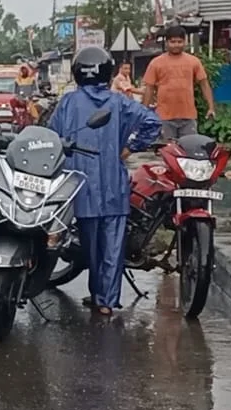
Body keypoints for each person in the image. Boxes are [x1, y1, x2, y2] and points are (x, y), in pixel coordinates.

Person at [48, 46, 161, 316]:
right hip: (113, 184)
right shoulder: (119, 102)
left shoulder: (68, 103)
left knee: (91, 246)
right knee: (112, 246)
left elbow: (52, 136)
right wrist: (130, 147)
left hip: (80, 185)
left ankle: (98, 294)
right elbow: (152, 123)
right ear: (108, 72)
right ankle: (106, 301)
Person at [141, 24, 215, 140]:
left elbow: (204, 84)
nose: (176, 45)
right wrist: (144, 112)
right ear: (167, 43)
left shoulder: (193, 61)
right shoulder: (156, 63)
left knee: (189, 152)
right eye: (173, 42)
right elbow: (149, 88)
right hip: (164, 117)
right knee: (167, 152)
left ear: (185, 42)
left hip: (188, 117)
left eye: (179, 42)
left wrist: (211, 107)